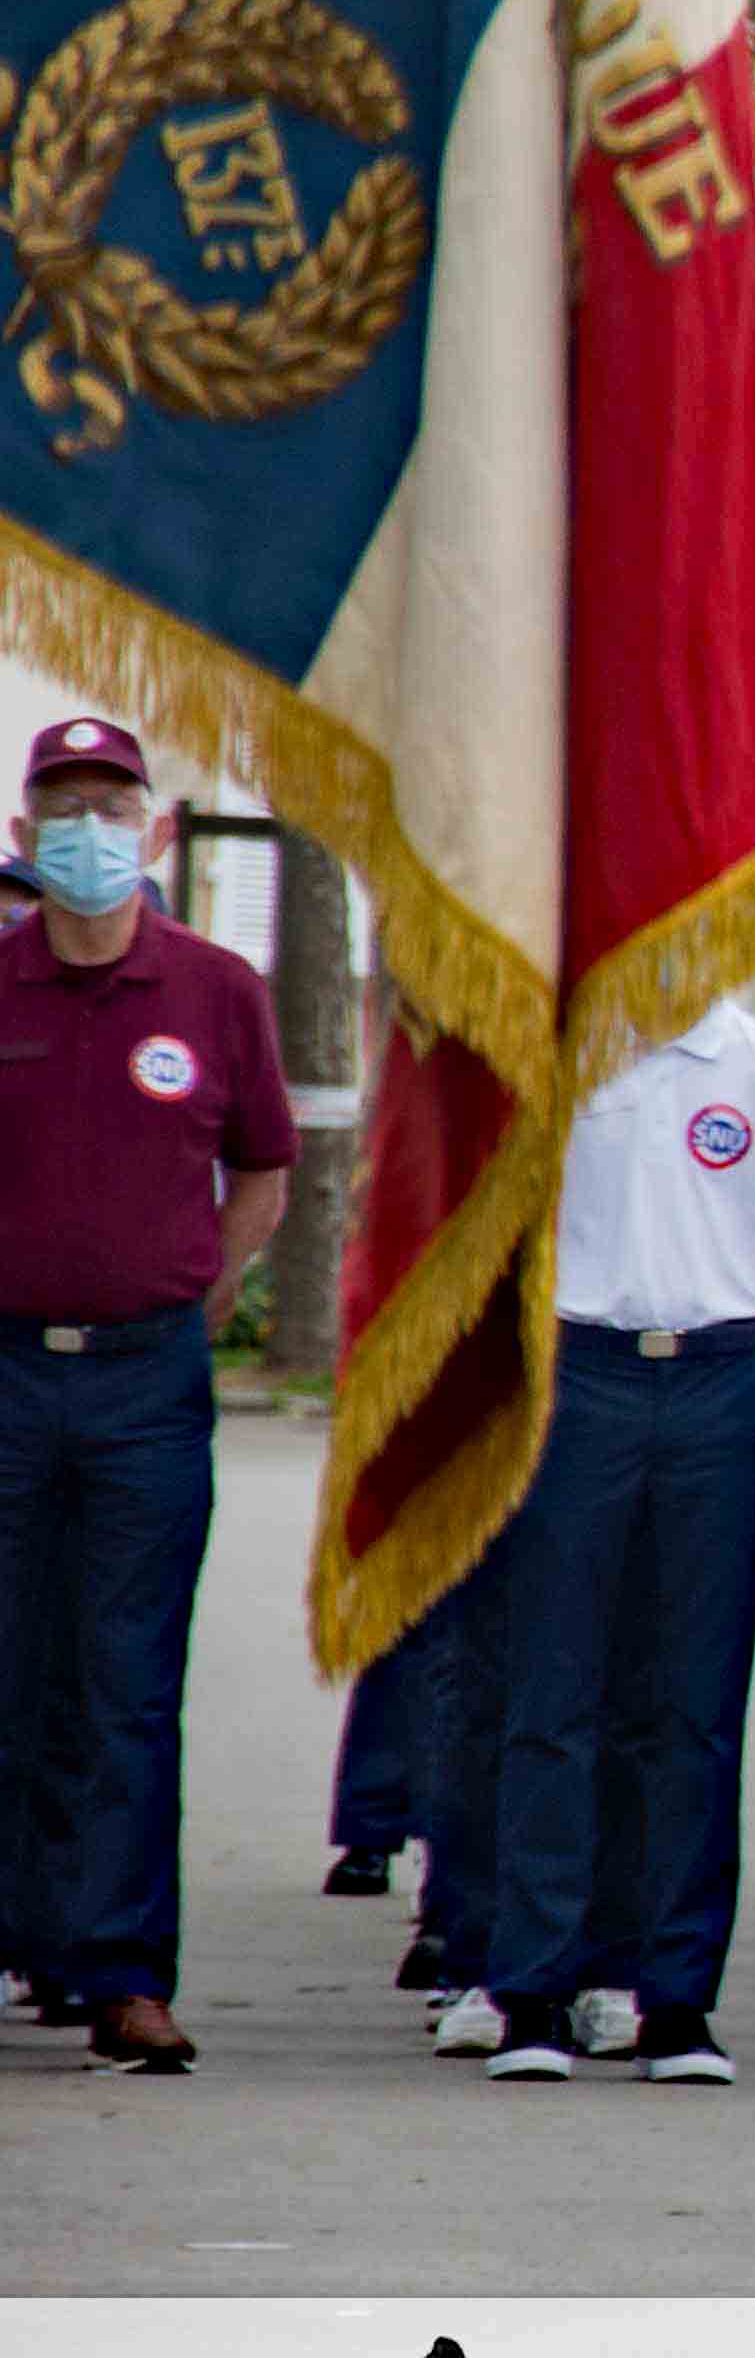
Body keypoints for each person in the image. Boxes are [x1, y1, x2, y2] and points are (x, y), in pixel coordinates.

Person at [473, 986, 755, 2084]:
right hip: (581, 1377)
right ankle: (537, 1990)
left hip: (714, 1392)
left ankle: (675, 1998)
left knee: (692, 1704)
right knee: (555, 1693)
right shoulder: (553, 1055)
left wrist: (727, 1341)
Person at [0, 716, 292, 2072]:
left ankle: (122, 1973)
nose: (89, 832)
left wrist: (206, 1294)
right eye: (62, 806)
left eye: (112, 806)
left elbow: (265, 1171)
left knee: (126, 1679)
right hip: (5, 1371)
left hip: (145, 1384)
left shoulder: (219, 990)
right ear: (21, 837)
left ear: (156, 831)